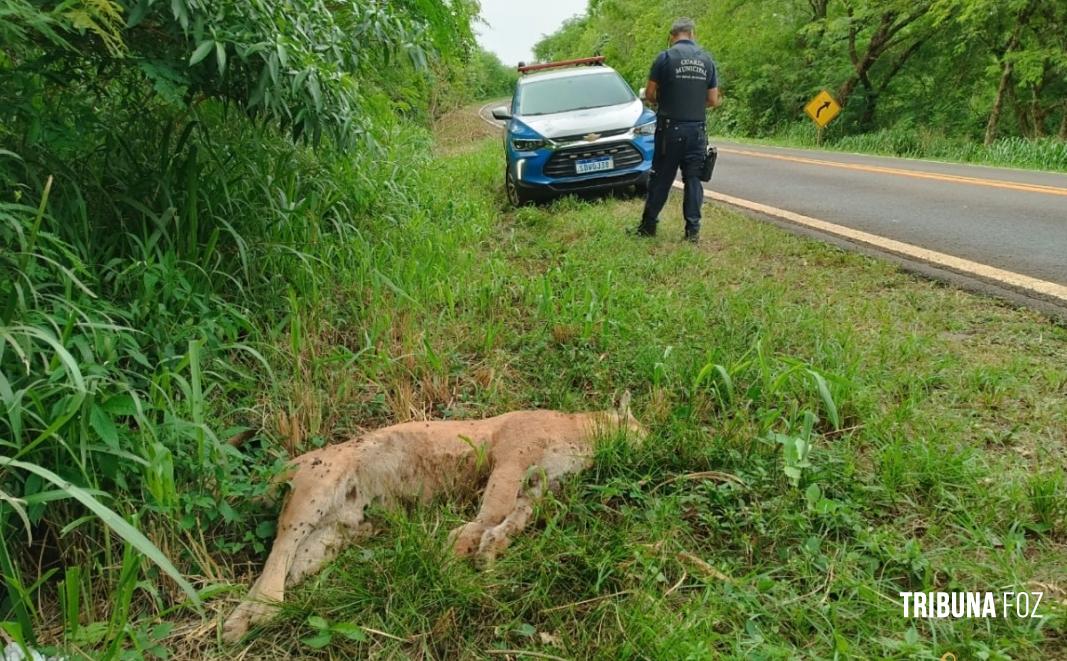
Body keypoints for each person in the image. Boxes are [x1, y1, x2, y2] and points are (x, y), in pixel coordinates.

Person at [636, 18, 720, 242]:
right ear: (692, 34)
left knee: (662, 178)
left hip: (670, 129)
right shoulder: (707, 60)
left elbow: (651, 93)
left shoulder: (664, 58)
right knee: (693, 179)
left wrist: (667, 99)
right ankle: (692, 231)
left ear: (671, 36)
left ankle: (649, 225)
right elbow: (713, 99)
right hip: (697, 130)